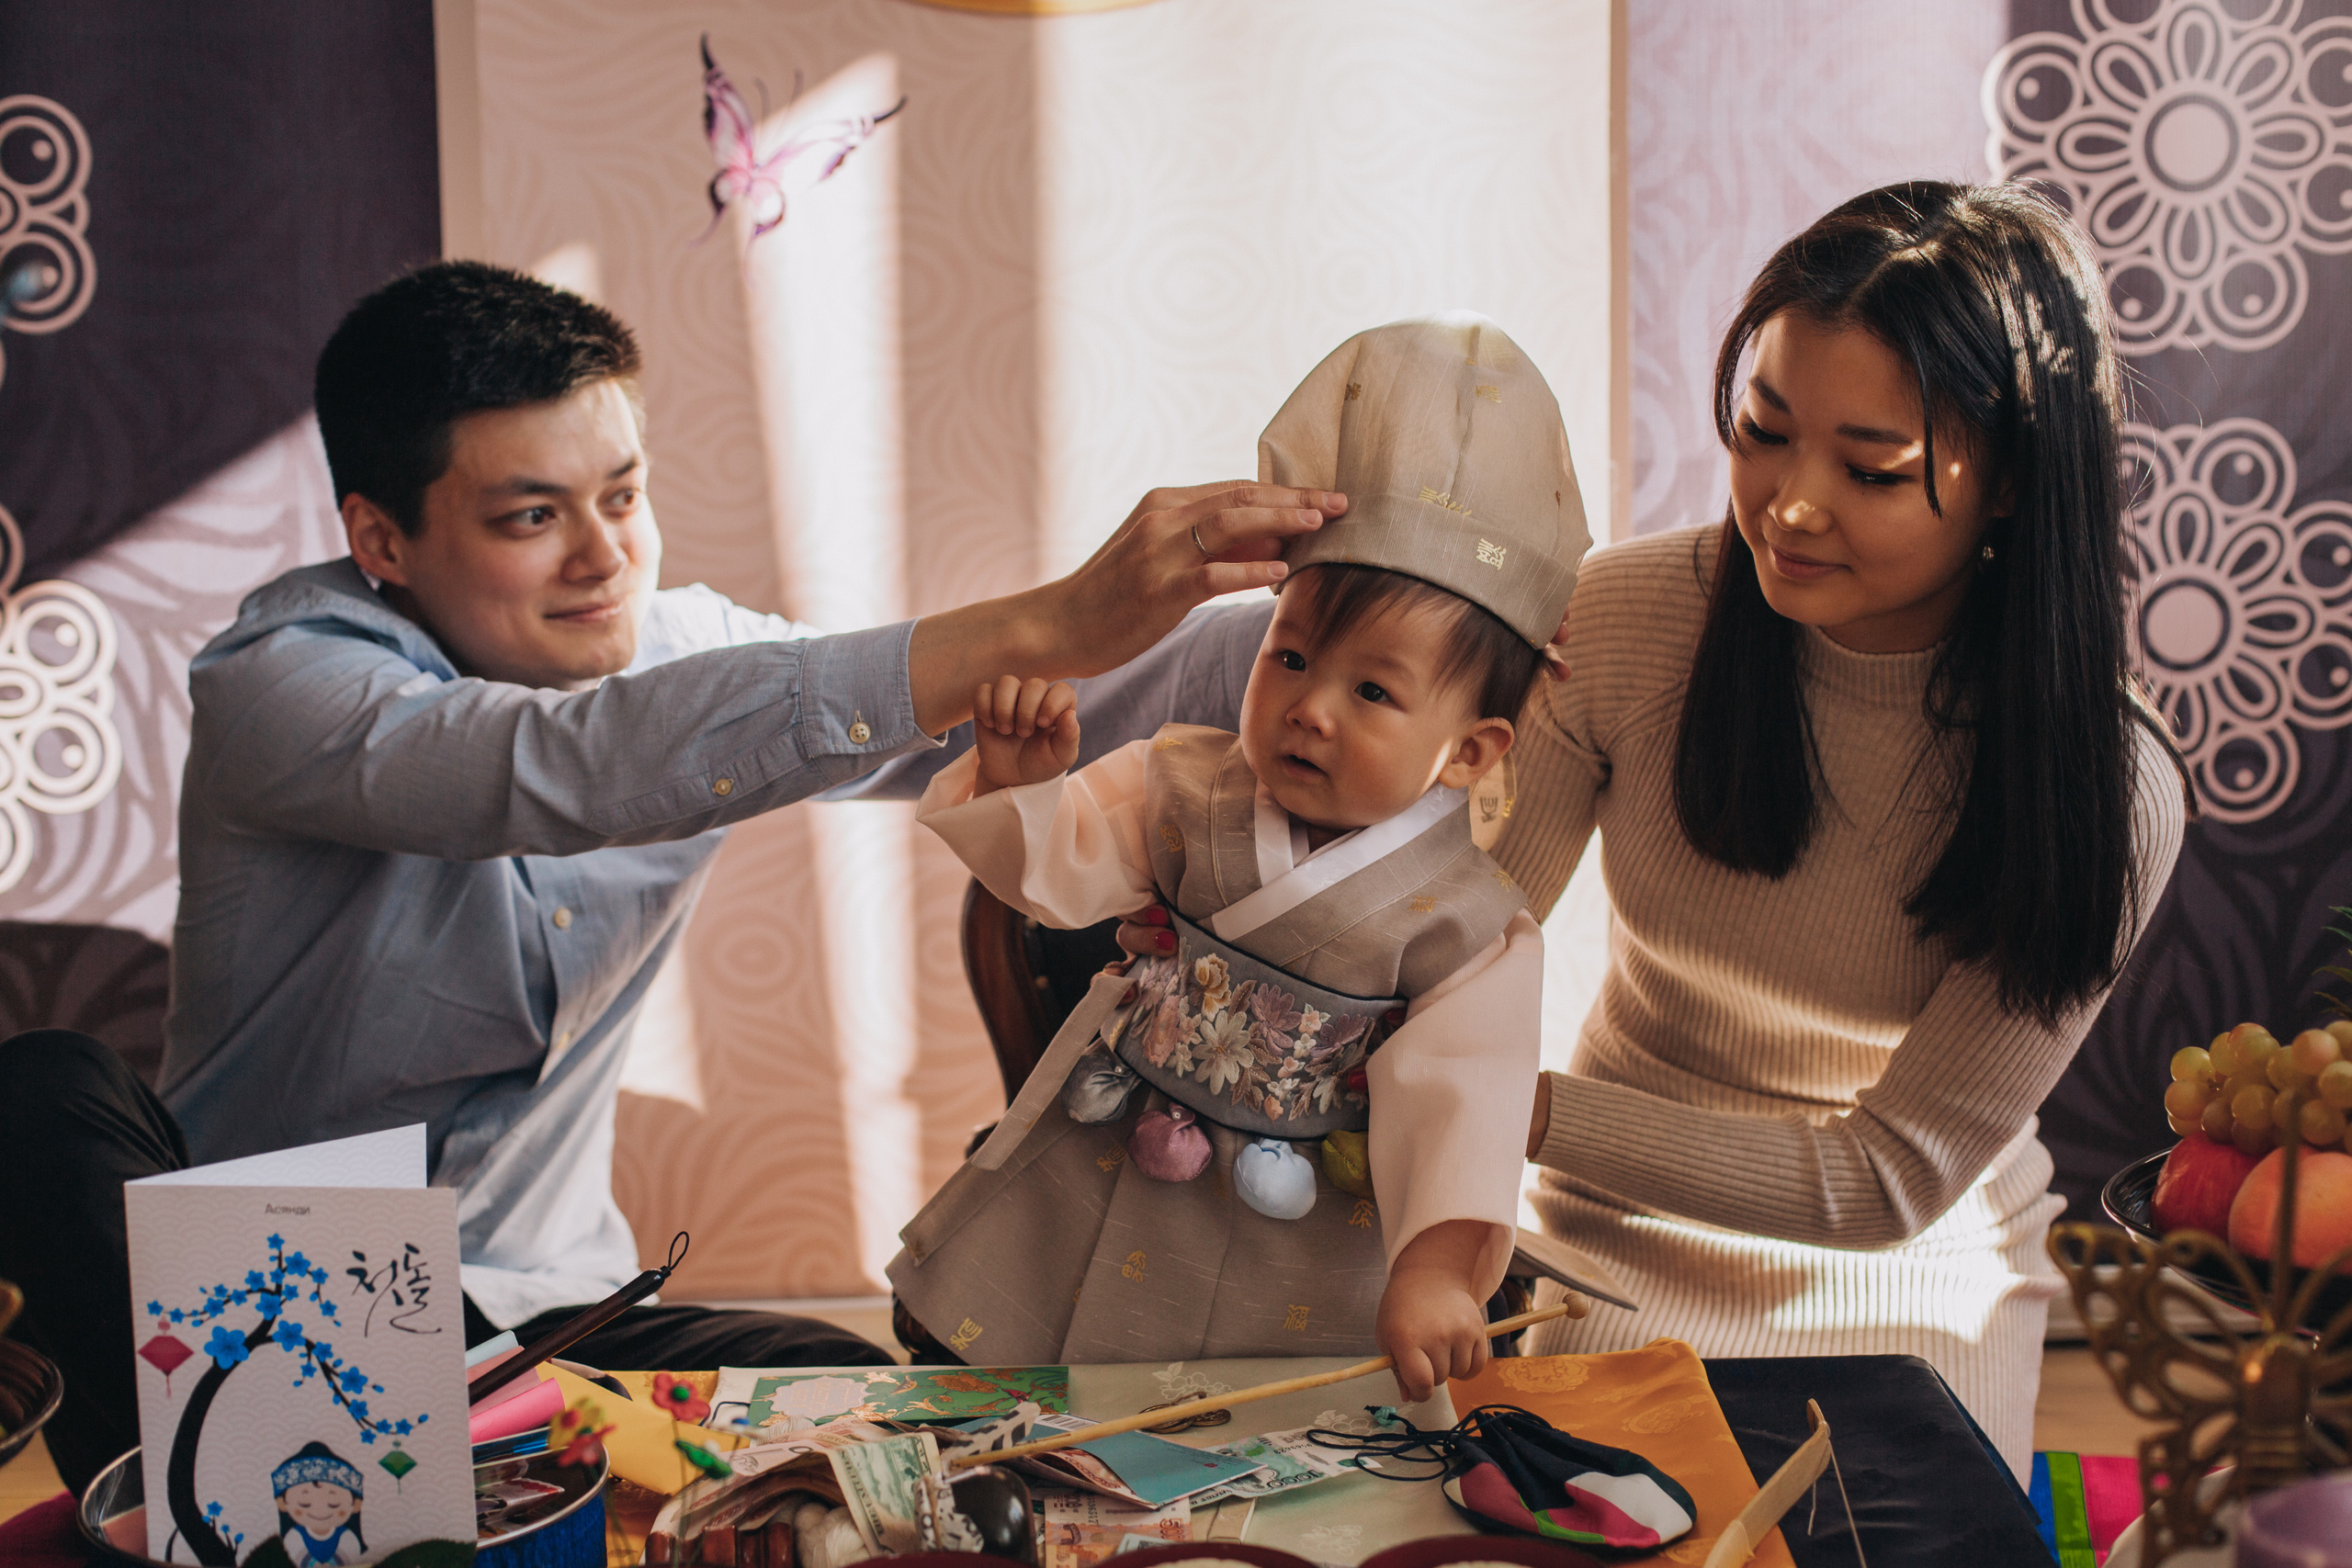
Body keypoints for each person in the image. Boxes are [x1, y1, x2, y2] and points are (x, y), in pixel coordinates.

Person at [854, 183, 2190, 1475]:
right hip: (1597, 1238)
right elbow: (1427, 920)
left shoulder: (2103, 786)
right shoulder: (1634, 617)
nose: (1789, 505)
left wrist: (1496, 1103)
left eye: (1871, 468)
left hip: (1911, 1275)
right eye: (1764, 430)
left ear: (2010, 481)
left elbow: (1888, 1176)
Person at [0, 260, 1344, 1495]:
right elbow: (557, 767)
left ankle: (458, 1474)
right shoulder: (282, 684)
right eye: (534, 516)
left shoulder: (682, 651)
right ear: (382, 539)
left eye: (624, 495)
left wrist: (1341, 627)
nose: (603, 558)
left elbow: (1040, 703)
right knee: (44, 1092)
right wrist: (1051, 613)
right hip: (266, 1332)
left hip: (548, 1328)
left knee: (874, 1410)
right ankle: (294, 1498)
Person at [887, 314, 1589, 1401]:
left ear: (1469, 751)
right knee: (1038, 1400)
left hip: (1310, 1222)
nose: (1310, 709)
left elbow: (1465, 1104)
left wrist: (1436, 1276)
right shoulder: (1180, 781)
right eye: (1291, 657)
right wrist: (1024, 784)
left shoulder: (1470, 924)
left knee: (1273, 1435)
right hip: (1108, 1151)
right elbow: (1055, 871)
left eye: (1372, 690)